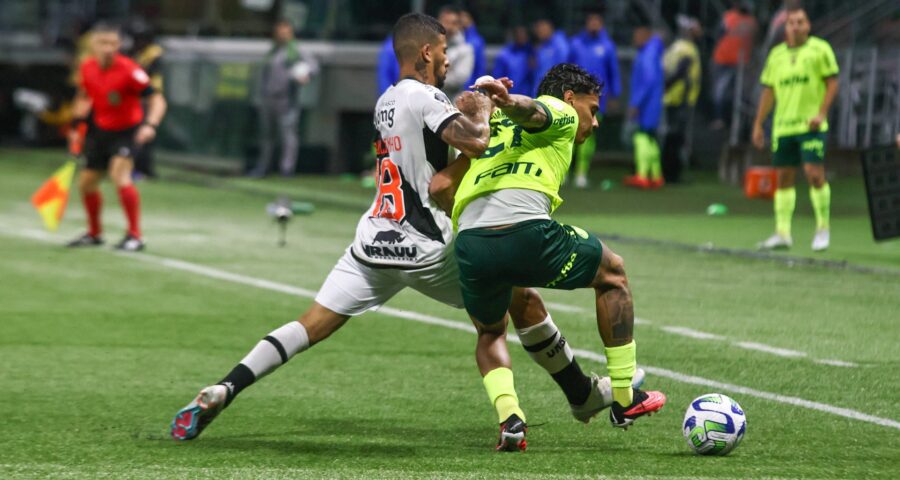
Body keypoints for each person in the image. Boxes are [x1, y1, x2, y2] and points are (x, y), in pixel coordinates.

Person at [170, 13, 630, 451]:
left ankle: (226, 386)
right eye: (446, 51)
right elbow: (471, 145)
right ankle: (562, 401)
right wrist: (485, 108)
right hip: (427, 244)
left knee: (307, 326)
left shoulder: (385, 101)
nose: (449, 61)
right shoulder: (424, 96)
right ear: (426, 53)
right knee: (515, 303)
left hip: (373, 241)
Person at [453, 64, 666, 434]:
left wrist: (488, 102)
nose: (595, 122)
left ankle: (511, 420)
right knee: (612, 273)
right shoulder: (561, 110)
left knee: (491, 331)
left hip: (470, 241)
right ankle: (624, 399)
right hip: (524, 231)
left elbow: (442, 183)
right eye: (594, 110)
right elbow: (534, 111)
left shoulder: (491, 122)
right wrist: (510, 99)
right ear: (570, 98)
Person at [66, 23, 166, 252]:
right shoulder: (88, 67)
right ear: (92, 44)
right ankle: (94, 234)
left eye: (113, 43)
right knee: (87, 183)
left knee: (118, 174)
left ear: (120, 45)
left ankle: (135, 236)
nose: (108, 48)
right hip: (100, 131)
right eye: (103, 43)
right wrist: (76, 125)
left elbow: (157, 99)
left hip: (127, 131)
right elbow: (84, 96)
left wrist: (151, 125)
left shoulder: (131, 71)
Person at [753, 7, 839, 252]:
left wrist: (821, 113)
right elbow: (768, 92)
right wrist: (759, 123)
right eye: (791, 23)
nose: (796, 27)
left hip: (810, 125)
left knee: (814, 174)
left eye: (800, 22)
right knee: (783, 179)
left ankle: (823, 228)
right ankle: (782, 233)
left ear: (808, 25)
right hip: (783, 127)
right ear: (786, 27)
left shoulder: (820, 49)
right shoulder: (776, 55)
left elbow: (832, 82)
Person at [249, 19, 318, 177]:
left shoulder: (296, 50)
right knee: (267, 135)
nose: (282, 34)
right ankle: (263, 167)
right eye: (279, 31)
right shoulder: (273, 51)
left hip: (286, 99)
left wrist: (305, 74)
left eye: (285, 31)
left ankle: (286, 169)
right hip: (268, 97)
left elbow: (313, 66)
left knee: (288, 134)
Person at [568, 9, 621, 188]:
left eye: (597, 22)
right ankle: (564, 171)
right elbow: (566, 69)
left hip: (596, 100)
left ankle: (581, 173)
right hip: (574, 98)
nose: (594, 25)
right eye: (591, 21)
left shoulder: (607, 46)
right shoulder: (576, 43)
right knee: (568, 134)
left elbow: (613, 72)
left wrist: (615, 94)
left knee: (588, 136)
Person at [661, 15, 702, 183]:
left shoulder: (673, 48)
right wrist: (670, 86)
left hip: (670, 98)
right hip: (680, 99)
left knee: (671, 137)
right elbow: (681, 72)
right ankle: (672, 174)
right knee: (676, 138)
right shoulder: (688, 49)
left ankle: (666, 171)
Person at [624, 24, 665, 189]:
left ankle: (642, 175)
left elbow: (647, 81)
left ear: (645, 36)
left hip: (647, 104)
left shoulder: (647, 54)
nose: (635, 39)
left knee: (641, 137)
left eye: (637, 36)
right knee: (650, 139)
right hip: (654, 102)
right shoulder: (653, 51)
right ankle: (656, 175)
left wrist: (636, 103)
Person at [125, 18, 164, 179]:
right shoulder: (135, 52)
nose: (137, 42)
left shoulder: (154, 52)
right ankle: (132, 167)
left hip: (150, 97)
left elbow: (145, 73)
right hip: (136, 98)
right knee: (133, 135)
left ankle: (144, 169)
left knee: (145, 134)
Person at [710, 1, 757, 129]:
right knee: (722, 91)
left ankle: (734, 123)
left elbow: (717, 34)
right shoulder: (730, 17)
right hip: (724, 59)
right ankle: (721, 119)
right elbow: (718, 34)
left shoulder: (749, 21)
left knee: (736, 95)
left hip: (739, 63)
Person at [437, 6, 474, 99]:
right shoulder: (429, 44)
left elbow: (459, 78)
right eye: (445, 22)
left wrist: (431, 79)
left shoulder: (465, 49)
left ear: (459, 25)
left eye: (453, 23)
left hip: (451, 103)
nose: (448, 27)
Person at [491, 26, 534, 96]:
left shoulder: (532, 53)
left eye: (523, 35)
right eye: (518, 35)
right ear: (514, 36)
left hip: (528, 97)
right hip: (509, 96)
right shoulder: (504, 54)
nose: (521, 37)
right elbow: (497, 77)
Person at [532, 19, 568, 97]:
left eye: (540, 27)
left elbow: (562, 70)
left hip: (553, 93)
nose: (538, 31)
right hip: (540, 92)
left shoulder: (560, 45)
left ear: (549, 26)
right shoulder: (541, 45)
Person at [460, 9, 486, 87]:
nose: (461, 19)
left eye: (464, 16)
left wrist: (478, 86)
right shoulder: (457, 36)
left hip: (469, 85)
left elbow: (479, 67)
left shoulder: (476, 41)